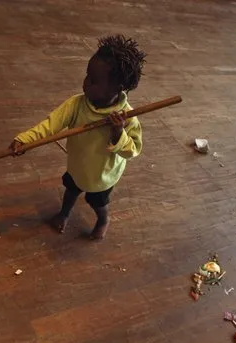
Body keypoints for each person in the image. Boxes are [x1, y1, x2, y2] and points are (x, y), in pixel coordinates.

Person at [9, 34, 146, 240]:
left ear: (117, 88)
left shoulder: (127, 118)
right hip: (77, 166)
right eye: (87, 75)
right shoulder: (77, 104)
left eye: (94, 81)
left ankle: (103, 220)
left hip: (102, 176)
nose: (85, 83)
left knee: (98, 202)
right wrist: (25, 140)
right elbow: (50, 124)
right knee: (70, 191)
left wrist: (118, 133)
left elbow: (132, 150)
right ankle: (64, 213)